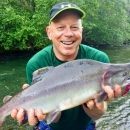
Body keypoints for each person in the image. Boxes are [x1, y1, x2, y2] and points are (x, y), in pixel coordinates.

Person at [11, 2, 121, 130]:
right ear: (49, 32)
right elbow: (54, 119)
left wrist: (96, 104)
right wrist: (41, 113)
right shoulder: (36, 64)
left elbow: (97, 115)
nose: (68, 33)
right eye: (60, 27)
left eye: (74, 27)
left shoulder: (98, 59)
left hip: (85, 126)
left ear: (81, 31)